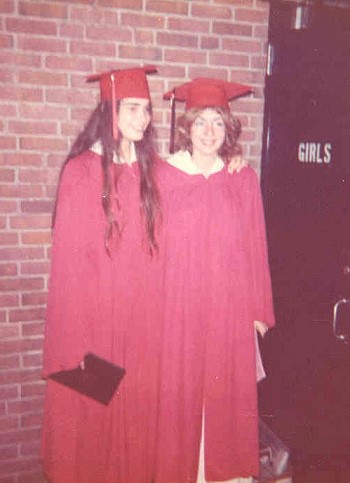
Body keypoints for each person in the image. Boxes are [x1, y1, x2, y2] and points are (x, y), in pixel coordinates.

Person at [41, 65, 164, 483]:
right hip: (96, 323)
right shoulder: (81, 172)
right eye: (132, 108)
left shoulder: (152, 171)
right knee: (96, 424)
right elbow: (68, 265)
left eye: (146, 110)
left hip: (142, 323)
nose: (142, 119)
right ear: (109, 110)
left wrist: (233, 159)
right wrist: (77, 342)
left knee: (135, 429)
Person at [152, 78, 275, 482]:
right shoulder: (164, 176)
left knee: (224, 397)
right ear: (186, 127)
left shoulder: (242, 179)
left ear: (228, 130)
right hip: (177, 309)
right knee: (179, 396)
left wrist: (258, 311)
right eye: (201, 122)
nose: (208, 132)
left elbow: (256, 246)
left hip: (228, 309)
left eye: (217, 123)